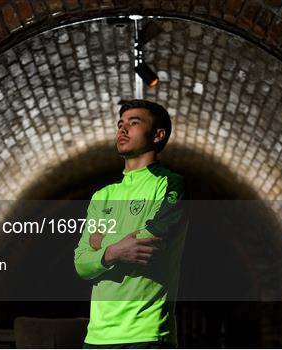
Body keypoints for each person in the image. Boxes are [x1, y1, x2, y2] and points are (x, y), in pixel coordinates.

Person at [73, 99, 189, 349]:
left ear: (158, 135)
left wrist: (101, 247)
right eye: (120, 124)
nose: (122, 129)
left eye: (134, 123)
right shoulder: (102, 196)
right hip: (96, 337)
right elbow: (81, 264)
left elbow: (152, 239)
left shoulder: (170, 184)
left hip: (146, 333)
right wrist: (115, 251)